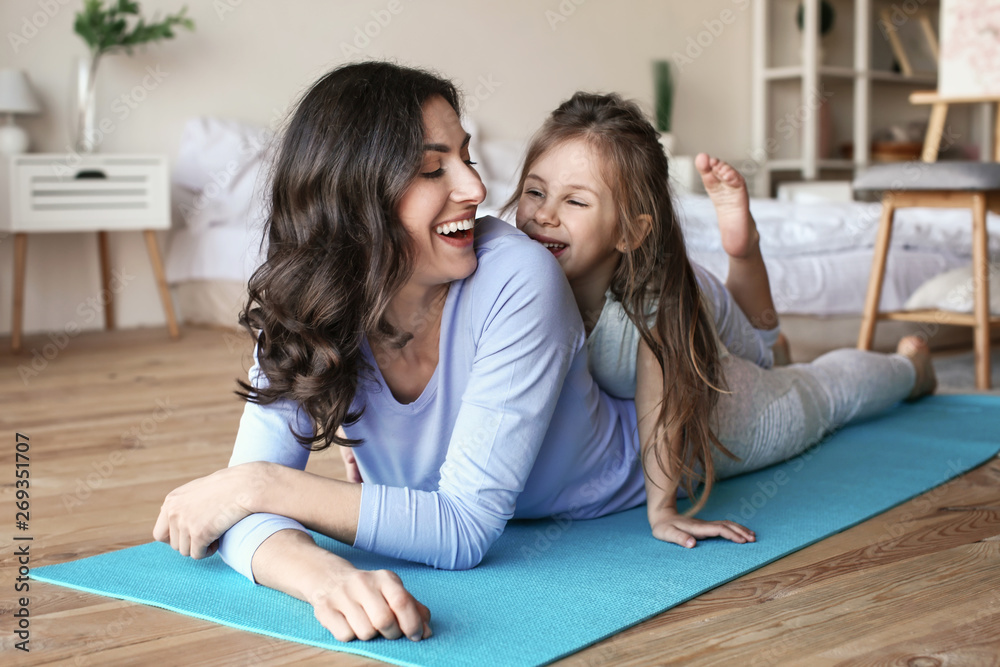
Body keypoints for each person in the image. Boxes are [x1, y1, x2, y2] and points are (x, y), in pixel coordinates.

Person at [154, 62, 651, 644]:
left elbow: (461, 530)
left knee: (781, 401)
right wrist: (324, 577)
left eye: (464, 157)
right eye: (432, 169)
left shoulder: (520, 278)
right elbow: (236, 515)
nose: (476, 188)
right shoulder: (304, 303)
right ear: (355, 198)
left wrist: (259, 485)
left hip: (649, 456)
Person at [505, 91, 937, 550]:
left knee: (820, 391)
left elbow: (661, 405)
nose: (543, 215)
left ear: (630, 232)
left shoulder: (651, 306)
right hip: (699, 320)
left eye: (575, 202)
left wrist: (663, 511)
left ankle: (909, 370)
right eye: (535, 191)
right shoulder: (516, 270)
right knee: (764, 348)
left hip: (717, 376)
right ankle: (772, 343)